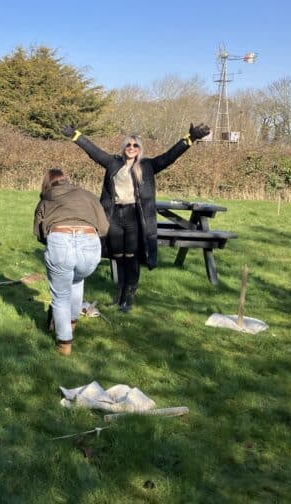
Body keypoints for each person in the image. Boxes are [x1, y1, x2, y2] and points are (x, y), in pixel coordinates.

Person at [62, 123, 211, 312]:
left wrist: (189, 139)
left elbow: (169, 156)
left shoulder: (147, 166)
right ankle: (119, 295)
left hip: (134, 216)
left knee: (131, 256)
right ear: (124, 147)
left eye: (135, 145)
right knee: (118, 255)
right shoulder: (113, 163)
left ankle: (129, 297)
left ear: (139, 149)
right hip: (114, 216)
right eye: (128, 145)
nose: (131, 148)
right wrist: (75, 136)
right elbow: (93, 151)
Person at [34, 169, 109, 355]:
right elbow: (104, 227)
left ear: (46, 184)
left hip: (60, 240)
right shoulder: (88, 195)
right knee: (76, 281)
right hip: (90, 244)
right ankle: (72, 324)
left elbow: (38, 232)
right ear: (67, 181)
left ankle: (64, 344)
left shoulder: (46, 198)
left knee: (60, 297)